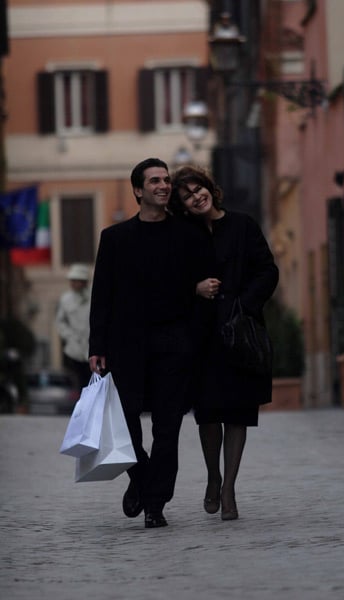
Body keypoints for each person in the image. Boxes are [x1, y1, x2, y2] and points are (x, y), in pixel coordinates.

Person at [88, 158, 213, 529]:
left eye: (166, 180)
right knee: (126, 423)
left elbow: (200, 289)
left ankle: (155, 504)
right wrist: (97, 344)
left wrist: (195, 338)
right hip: (126, 344)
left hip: (174, 341)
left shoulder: (188, 236)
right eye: (154, 180)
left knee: (168, 426)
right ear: (138, 191)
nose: (163, 185)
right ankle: (141, 479)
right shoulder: (114, 238)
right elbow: (102, 295)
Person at [170, 165, 279, 521]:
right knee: (208, 411)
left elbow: (268, 270)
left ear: (210, 188)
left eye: (197, 188)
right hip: (201, 334)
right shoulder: (183, 234)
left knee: (238, 412)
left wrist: (243, 304)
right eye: (186, 196)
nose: (195, 197)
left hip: (240, 331)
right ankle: (212, 476)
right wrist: (193, 289)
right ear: (182, 206)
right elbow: (168, 278)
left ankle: (229, 486)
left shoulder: (243, 225)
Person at [55, 263, 92, 390]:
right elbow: (60, 322)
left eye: (77, 280)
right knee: (79, 382)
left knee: (95, 381)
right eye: (72, 280)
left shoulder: (94, 296)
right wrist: (69, 336)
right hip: (74, 349)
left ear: (84, 281)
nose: (73, 283)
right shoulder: (66, 299)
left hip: (92, 347)